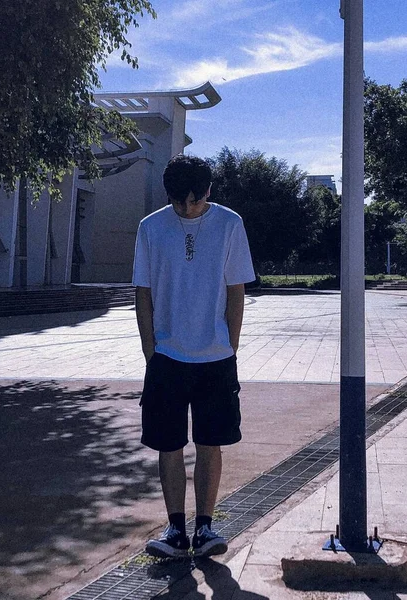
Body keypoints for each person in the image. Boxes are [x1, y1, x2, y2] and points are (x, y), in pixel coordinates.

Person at [132, 154, 255, 559]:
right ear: (168, 196)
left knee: (210, 442)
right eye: (179, 202)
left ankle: (205, 527)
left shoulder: (229, 223)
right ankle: (174, 529)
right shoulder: (151, 228)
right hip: (167, 356)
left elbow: (236, 290)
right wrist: (152, 351)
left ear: (208, 191)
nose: (187, 209)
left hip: (216, 357)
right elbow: (143, 293)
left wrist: (230, 346)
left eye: (195, 201)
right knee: (168, 445)